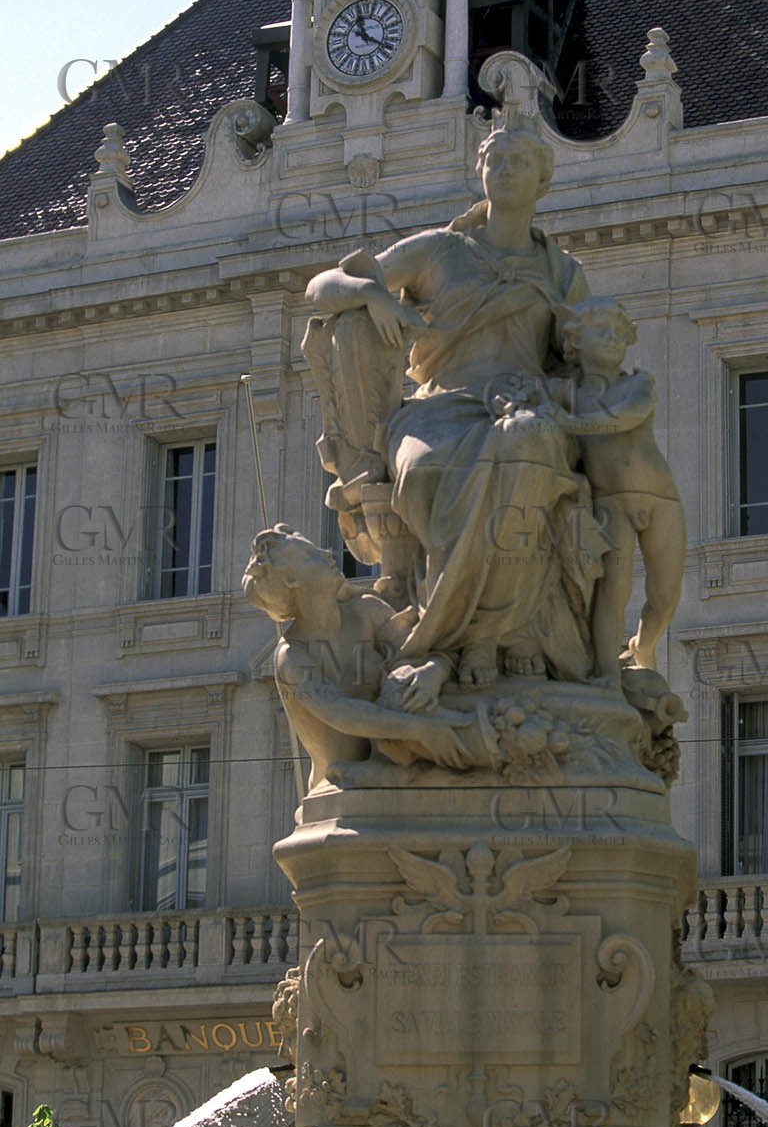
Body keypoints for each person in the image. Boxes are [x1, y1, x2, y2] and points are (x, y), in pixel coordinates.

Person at [304, 121, 604, 703]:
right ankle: (455, 633)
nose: (507, 168)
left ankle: (495, 632)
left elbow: (590, 358)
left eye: (521, 161)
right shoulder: (441, 249)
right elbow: (323, 287)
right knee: (425, 469)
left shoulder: (563, 272)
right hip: (439, 408)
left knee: (531, 443)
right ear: (481, 172)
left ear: (543, 180)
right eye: (497, 159)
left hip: (525, 405)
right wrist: (369, 293)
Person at [242, 526, 494, 787]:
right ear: (292, 580)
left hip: (403, 752)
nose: (327, 553)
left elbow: (420, 651)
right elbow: (341, 713)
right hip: (341, 788)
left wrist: (435, 671)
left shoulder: (366, 610)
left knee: (425, 688)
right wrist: (423, 730)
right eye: (310, 555)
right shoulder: (292, 656)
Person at [553, 296, 686, 679]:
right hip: (610, 503)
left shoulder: (639, 382)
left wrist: (572, 424)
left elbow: (629, 416)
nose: (613, 339)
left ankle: (642, 647)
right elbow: (534, 407)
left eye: (618, 333)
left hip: (661, 499)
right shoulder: (567, 393)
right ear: (576, 341)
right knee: (614, 592)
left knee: (664, 599)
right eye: (601, 332)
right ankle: (608, 673)